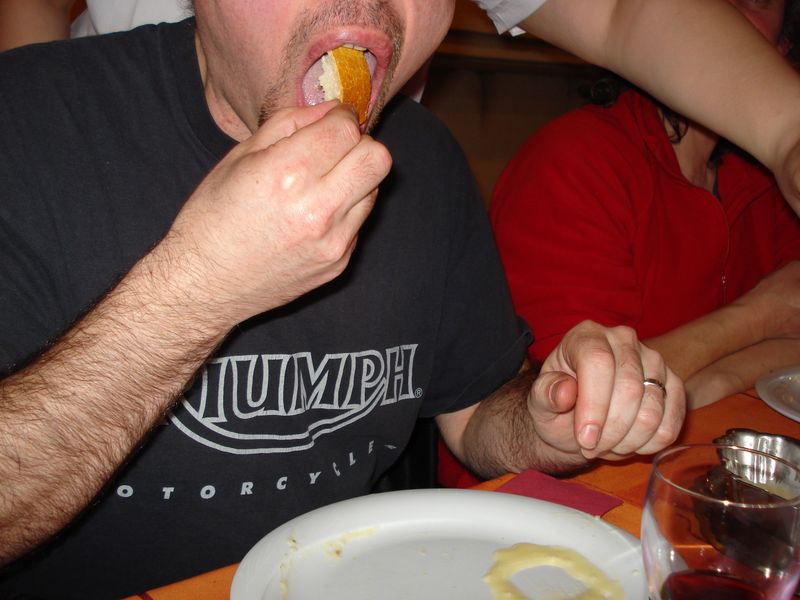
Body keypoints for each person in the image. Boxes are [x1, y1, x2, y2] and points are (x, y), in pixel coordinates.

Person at [0, 1, 683, 597]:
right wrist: (200, 285)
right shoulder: (25, 118)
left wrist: (548, 421)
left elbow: (475, 418)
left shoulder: (425, 157)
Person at [488, 0, 800, 412]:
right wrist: (761, 315)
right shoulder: (573, 161)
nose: (724, 15)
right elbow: (574, 407)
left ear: (783, 47)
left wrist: (715, 380)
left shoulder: (768, 188)